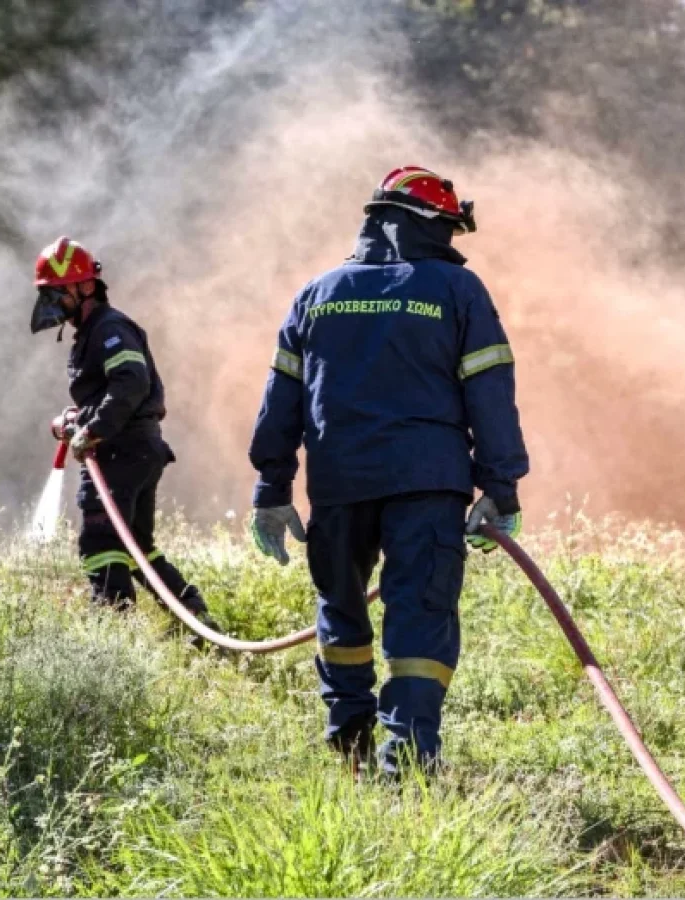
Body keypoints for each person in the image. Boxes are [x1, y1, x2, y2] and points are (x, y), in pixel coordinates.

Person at [247, 167, 528, 775]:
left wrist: (272, 487)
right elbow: (490, 390)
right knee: (420, 615)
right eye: (449, 230)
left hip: (339, 484)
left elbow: (281, 403)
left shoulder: (317, 292)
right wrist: (499, 484)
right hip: (428, 484)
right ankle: (406, 760)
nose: (453, 245)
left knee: (340, 606)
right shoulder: (457, 291)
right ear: (427, 224)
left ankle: (348, 739)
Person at [29, 236, 219, 636]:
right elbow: (113, 393)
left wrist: (94, 430)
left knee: (101, 546)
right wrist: (80, 419)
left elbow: (131, 383)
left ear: (84, 287)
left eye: (58, 294)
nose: (54, 305)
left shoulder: (110, 328)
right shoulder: (94, 332)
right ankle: (198, 624)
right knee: (137, 547)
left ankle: (114, 639)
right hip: (133, 450)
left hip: (121, 452)